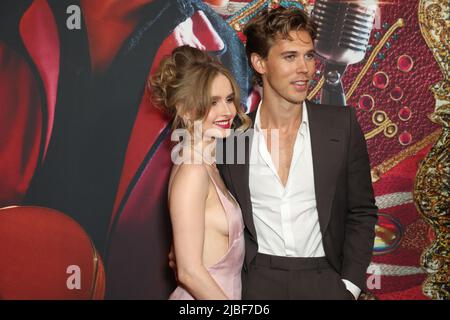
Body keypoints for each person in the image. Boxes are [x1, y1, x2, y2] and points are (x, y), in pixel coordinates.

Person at [214, 6, 378, 300]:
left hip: (325, 279)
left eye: (309, 55)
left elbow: (362, 212)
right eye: (290, 56)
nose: (305, 68)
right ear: (260, 63)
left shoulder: (340, 125)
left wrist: (349, 286)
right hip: (257, 282)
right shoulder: (233, 136)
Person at [150, 45, 251, 300]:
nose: (227, 111)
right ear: (185, 109)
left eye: (229, 99)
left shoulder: (207, 164)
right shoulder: (193, 170)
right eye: (212, 102)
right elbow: (188, 272)